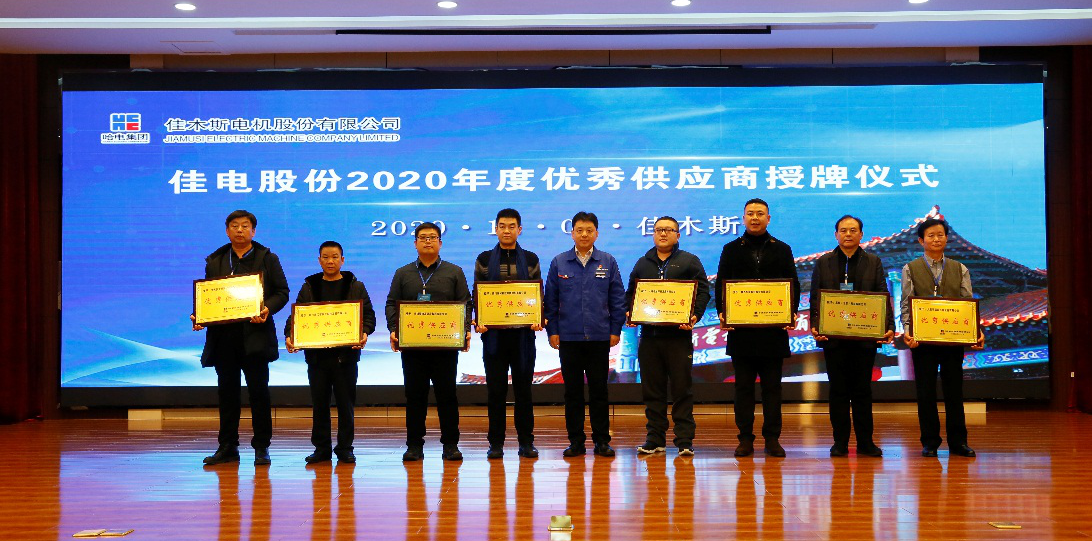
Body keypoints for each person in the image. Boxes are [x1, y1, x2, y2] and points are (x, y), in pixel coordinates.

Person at [193, 209, 290, 466]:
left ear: (253, 231)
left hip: (256, 337)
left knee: (259, 394)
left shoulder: (267, 258)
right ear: (227, 231)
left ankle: (262, 447)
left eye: (245, 226)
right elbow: (210, 297)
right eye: (234, 225)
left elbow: (282, 292)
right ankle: (227, 446)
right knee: (227, 395)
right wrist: (199, 315)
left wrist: (267, 308)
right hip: (224, 339)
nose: (239, 230)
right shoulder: (215, 260)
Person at [714, 198, 800, 458]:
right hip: (742, 333)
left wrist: (790, 311)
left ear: (768, 218)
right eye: (750, 213)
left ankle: (772, 438)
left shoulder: (782, 249)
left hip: (773, 333)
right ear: (743, 218)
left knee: (773, 388)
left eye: (760, 213)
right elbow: (721, 283)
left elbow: (793, 284)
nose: (754, 218)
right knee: (743, 389)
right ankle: (745, 438)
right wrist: (723, 312)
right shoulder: (730, 249)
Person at [809, 215, 894, 458]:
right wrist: (816, 325)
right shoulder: (824, 262)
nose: (848, 234)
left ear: (861, 235)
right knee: (838, 391)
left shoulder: (873, 261)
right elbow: (815, 297)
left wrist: (888, 325)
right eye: (843, 230)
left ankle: (866, 442)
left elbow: (882, 294)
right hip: (834, 338)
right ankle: (840, 442)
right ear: (836, 234)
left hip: (864, 339)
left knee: (862, 391)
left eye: (853, 230)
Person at [386, 222, 472, 462]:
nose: (427, 241)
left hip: (445, 347)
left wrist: (465, 330)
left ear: (440, 243)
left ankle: (450, 445)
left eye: (432, 237)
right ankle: (414, 445)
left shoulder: (454, 272)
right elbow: (392, 303)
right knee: (415, 396)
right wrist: (394, 329)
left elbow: (466, 303)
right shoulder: (403, 273)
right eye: (423, 237)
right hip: (413, 348)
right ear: (415, 243)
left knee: (447, 396)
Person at [624, 216, 710, 456]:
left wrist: (694, 315)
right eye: (659, 230)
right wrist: (630, 311)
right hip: (649, 337)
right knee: (653, 390)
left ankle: (684, 440)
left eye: (668, 230)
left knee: (682, 390)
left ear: (677, 235)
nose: (663, 233)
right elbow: (631, 294)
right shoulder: (643, 263)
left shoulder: (689, 261)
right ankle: (655, 439)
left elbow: (703, 291)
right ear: (653, 234)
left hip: (678, 337)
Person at [284, 241, 376, 464]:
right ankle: (321, 449)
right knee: (319, 405)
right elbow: (296, 316)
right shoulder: (309, 287)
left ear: (342, 260)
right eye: (325, 257)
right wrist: (290, 335)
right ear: (319, 260)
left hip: (346, 357)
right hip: (317, 358)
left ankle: (345, 448)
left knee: (346, 405)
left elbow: (369, 316)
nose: (330, 261)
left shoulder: (355, 286)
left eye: (335, 257)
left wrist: (364, 332)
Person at [544, 211, 627, 458]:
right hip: (568, 338)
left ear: (596, 234)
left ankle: (602, 441)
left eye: (589, 230)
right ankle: (576, 442)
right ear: (572, 233)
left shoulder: (607, 261)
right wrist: (553, 331)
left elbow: (617, 299)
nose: (584, 234)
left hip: (599, 338)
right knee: (573, 393)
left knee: (599, 392)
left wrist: (615, 329)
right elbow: (551, 301)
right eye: (579, 230)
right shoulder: (559, 262)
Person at [900, 217, 984, 458]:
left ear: (946, 238)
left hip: (952, 341)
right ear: (921, 240)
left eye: (940, 235)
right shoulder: (910, 268)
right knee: (925, 393)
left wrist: (976, 330)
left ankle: (959, 442)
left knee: (954, 392)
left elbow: (967, 303)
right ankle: (930, 442)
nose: (936, 239)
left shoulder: (960, 269)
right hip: (922, 341)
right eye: (931, 235)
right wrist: (908, 330)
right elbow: (906, 304)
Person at [472, 209, 543, 459]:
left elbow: (537, 295)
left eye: (512, 226)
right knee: (495, 392)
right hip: (494, 337)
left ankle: (526, 442)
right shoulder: (484, 259)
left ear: (519, 230)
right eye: (502, 226)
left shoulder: (531, 259)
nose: (506, 230)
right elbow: (478, 294)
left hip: (523, 337)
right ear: (496, 229)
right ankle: (496, 443)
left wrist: (538, 317)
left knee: (524, 391)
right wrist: (480, 319)